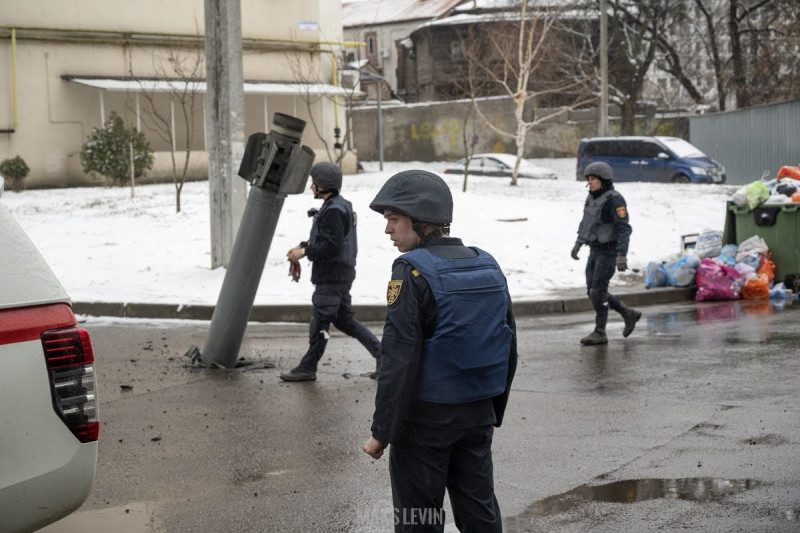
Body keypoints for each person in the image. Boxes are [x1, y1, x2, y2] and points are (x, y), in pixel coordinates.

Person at [362, 170, 517, 532]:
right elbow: (509, 345)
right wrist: (492, 412)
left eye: (394, 219)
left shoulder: (411, 270)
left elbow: (398, 360)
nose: (387, 230)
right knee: (480, 514)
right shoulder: (488, 264)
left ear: (421, 220)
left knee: (420, 518)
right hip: (477, 415)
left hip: (424, 423)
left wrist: (382, 432)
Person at [280, 162, 381, 382]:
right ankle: (383, 356)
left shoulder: (333, 210)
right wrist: (303, 247)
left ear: (323, 185)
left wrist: (304, 252)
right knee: (345, 321)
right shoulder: (338, 205)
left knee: (320, 321)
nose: (311, 187)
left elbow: (331, 246)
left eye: (314, 182)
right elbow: (329, 239)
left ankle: (308, 367)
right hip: (340, 273)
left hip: (332, 276)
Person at [571, 161, 642, 346]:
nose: (589, 182)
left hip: (608, 252)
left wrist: (621, 255)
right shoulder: (591, 198)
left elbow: (623, 229)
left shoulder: (615, 201)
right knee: (593, 291)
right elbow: (586, 223)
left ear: (603, 180)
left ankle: (600, 332)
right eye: (588, 179)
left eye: (593, 179)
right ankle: (628, 313)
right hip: (595, 250)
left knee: (597, 291)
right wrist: (578, 244)